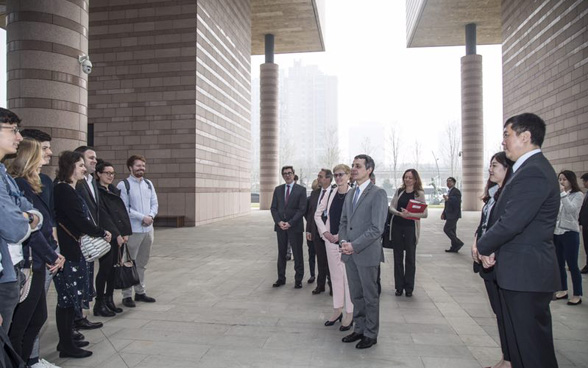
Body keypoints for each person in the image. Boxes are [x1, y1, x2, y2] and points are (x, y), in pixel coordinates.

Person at [477, 113, 560, 368]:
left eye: (507, 134)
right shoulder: (523, 169)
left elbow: (512, 222)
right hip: (517, 272)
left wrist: (482, 246)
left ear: (525, 137)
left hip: (527, 274)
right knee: (520, 347)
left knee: (533, 351)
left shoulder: (534, 172)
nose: (503, 142)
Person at [7, 139, 65, 364]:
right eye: (44, 150)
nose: (49, 153)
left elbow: (43, 221)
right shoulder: (20, 184)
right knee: (21, 324)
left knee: (38, 317)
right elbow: (30, 230)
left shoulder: (35, 183)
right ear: (30, 156)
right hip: (32, 262)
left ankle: (25, 361)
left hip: (41, 260)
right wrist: (53, 254)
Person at [53, 151, 112, 358]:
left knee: (71, 299)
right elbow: (79, 220)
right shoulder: (63, 190)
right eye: (80, 165)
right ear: (70, 167)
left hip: (73, 248)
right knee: (67, 300)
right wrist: (101, 232)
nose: (84, 169)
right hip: (68, 251)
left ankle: (69, 338)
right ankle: (66, 344)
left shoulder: (70, 189)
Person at [339, 154, 387, 350]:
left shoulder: (378, 194)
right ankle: (359, 328)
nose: (354, 169)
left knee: (369, 296)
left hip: (366, 254)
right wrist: (343, 241)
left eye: (358, 166)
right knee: (356, 295)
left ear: (369, 170)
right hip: (349, 254)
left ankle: (370, 333)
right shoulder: (350, 193)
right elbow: (343, 222)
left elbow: (377, 228)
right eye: (352, 165)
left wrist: (354, 245)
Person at [0, 108, 41, 333]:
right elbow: (15, 229)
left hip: (10, 270)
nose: (19, 137)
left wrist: (26, 216)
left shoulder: (3, 175)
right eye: (13, 130)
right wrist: (26, 218)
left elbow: (32, 214)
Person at [471, 151, 513, 368]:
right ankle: (506, 358)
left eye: (495, 165)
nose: (490, 169)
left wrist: (486, 247)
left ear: (507, 169)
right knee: (499, 312)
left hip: (499, 260)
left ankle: (510, 360)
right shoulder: (493, 193)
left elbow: (505, 227)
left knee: (507, 314)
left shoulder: (510, 195)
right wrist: (475, 241)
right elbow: (484, 224)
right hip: (485, 258)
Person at [315, 164, 353, 330]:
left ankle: (350, 313)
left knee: (348, 279)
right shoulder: (330, 193)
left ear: (348, 176)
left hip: (347, 243)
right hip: (330, 241)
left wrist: (342, 236)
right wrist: (325, 233)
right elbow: (317, 214)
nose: (338, 178)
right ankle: (337, 310)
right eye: (336, 175)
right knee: (336, 277)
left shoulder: (354, 193)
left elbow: (356, 220)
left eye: (341, 175)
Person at [117, 154, 158, 307]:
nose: (141, 168)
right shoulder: (124, 185)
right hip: (133, 230)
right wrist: (142, 217)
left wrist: (151, 215)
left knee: (142, 263)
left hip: (148, 231)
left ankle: (140, 292)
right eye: (138, 165)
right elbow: (124, 209)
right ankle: (127, 295)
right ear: (130, 167)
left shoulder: (148, 184)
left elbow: (155, 203)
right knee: (128, 263)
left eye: (143, 165)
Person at [94, 160, 132, 316]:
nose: (110, 176)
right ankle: (99, 303)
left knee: (114, 269)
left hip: (119, 236)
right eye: (107, 173)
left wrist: (125, 232)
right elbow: (104, 216)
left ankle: (109, 299)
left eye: (112, 173)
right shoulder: (97, 192)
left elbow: (121, 213)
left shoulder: (113, 190)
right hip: (107, 237)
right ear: (98, 174)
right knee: (104, 269)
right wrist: (116, 234)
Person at [72, 146, 103, 331]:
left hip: (91, 239)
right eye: (90, 158)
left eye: (95, 158)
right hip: (80, 239)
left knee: (87, 277)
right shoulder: (76, 183)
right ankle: (77, 317)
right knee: (80, 279)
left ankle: (82, 314)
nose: (94, 161)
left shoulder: (92, 181)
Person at [387, 169, 428, 297]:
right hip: (397, 227)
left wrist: (410, 214)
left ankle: (409, 288)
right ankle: (399, 287)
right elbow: (391, 207)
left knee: (410, 258)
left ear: (415, 179)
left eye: (410, 177)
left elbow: (425, 213)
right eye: (406, 177)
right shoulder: (399, 191)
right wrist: (399, 213)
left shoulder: (419, 193)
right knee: (397, 257)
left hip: (411, 228)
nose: (407, 179)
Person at [270, 166, 307, 288]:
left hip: (295, 227)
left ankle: (298, 279)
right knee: (281, 253)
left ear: (293, 174)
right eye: (285, 173)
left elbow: (302, 209)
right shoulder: (278, 189)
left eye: (289, 173)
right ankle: (281, 278)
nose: (287, 175)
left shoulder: (301, 190)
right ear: (282, 175)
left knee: (297, 253)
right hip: (280, 227)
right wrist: (278, 222)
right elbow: (273, 208)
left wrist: (290, 222)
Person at [553, 170, 583, 306]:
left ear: (571, 180)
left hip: (570, 233)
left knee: (572, 265)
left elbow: (571, 210)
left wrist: (563, 194)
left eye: (564, 179)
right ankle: (563, 289)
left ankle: (577, 294)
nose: (561, 182)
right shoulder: (558, 195)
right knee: (559, 264)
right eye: (560, 179)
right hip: (557, 233)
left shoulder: (578, 195)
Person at [306, 169, 333, 294]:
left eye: (320, 176)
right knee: (320, 260)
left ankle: (333, 285)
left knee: (331, 261)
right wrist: (309, 230)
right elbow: (311, 214)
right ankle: (320, 285)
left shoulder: (335, 192)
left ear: (328, 179)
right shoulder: (315, 193)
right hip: (316, 232)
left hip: (330, 233)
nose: (318, 179)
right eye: (318, 176)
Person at [442, 177, 463, 252]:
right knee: (452, 231)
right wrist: (443, 213)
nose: (448, 183)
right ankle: (454, 247)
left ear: (454, 183)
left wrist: (449, 199)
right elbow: (447, 204)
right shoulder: (449, 191)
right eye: (447, 181)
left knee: (446, 229)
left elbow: (457, 201)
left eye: (450, 182)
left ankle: (458, 243)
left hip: (454, 214)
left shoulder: (456, 191)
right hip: (449, 214)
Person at [579, 173, 588, 274]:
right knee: (586, 245)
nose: (584, 184)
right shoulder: (586, 194)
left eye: (584, 181)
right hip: (585, 225)